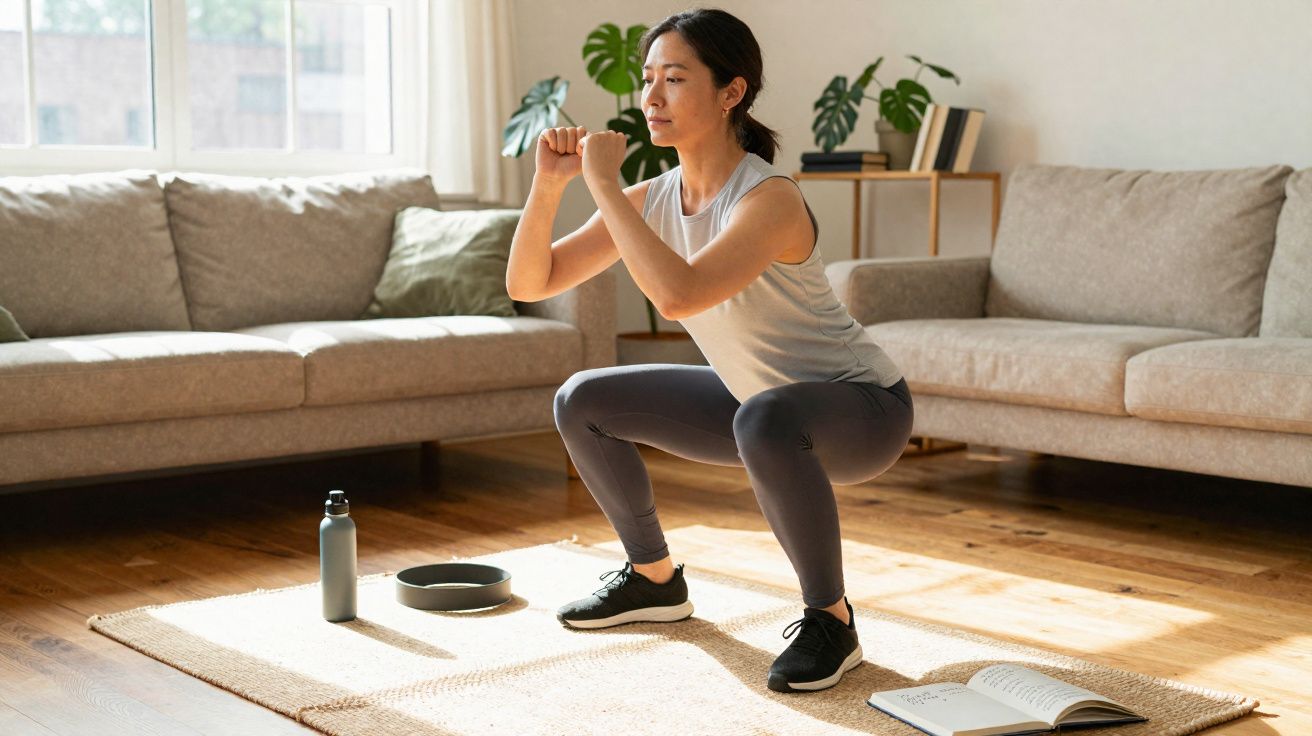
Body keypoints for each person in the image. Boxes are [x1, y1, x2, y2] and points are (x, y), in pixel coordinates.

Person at [506, 7, 913, 694]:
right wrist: (550, 187)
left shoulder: (770, 198)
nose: (652, 98)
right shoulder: (657, 196)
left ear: (732, 92)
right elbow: (530, 282)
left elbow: (680, 296)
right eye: (647, 79)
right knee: (583, 400)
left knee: (767, 418)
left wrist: (604, 186)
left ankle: (831, 621)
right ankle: (653, 580)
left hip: (862, 409)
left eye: (675, 78)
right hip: (754, 401)